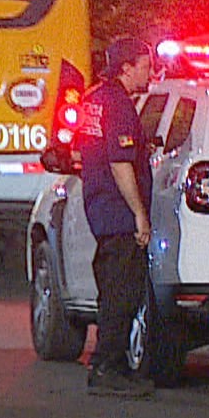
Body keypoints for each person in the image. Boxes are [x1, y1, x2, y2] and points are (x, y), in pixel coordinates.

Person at [79, 36, 157, 397]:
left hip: (99, 207)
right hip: (118, 212)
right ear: (126, 67)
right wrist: (140, 214)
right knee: (121, 293)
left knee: (112, 289)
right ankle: (107, 367)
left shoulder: (95, 99)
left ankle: (115, 365)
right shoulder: (121, 105)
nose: (150, 70)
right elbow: (120, 162)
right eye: (145, 64)